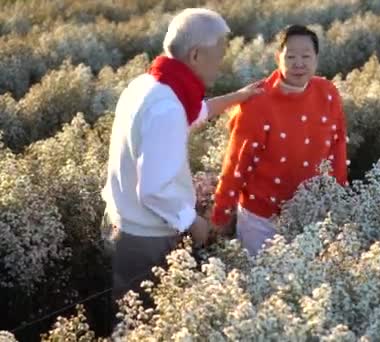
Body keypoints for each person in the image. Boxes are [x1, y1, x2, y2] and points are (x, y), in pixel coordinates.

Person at [101, 8, 262, 306]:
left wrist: (238, 97)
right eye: (220, 53)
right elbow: (154, 189)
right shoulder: (168, 107)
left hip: (126, 223)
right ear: (197, 55)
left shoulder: (149, 85)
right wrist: (195, 223)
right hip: (145, 235)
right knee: (140, 320)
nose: (222, 62)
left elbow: (193, 112)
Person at [210, 24, 349, 257]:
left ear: (316, 59)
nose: (299, 63)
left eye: (306, 56)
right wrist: (220, 214)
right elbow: (236, 163)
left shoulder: (327, 93)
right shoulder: (257, 101)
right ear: (278, 58)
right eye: (291, 56)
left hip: (313, 213)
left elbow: (338, 146)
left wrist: (338, 199)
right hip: (261, 218)